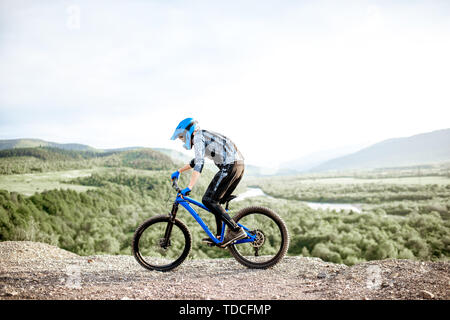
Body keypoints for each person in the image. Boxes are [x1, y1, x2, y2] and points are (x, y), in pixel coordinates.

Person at [170, 117, 246, 247]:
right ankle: (220, 237)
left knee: (208, 200)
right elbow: (195, 161)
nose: (182, 140)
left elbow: (199, 163)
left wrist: (189, 187)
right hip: (238, 166)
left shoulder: (198, 137)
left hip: (230, 166)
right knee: (216, 202)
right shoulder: (203, 136)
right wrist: (179, 171)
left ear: (190, 132)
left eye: (182, 137)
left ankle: (236, 230)